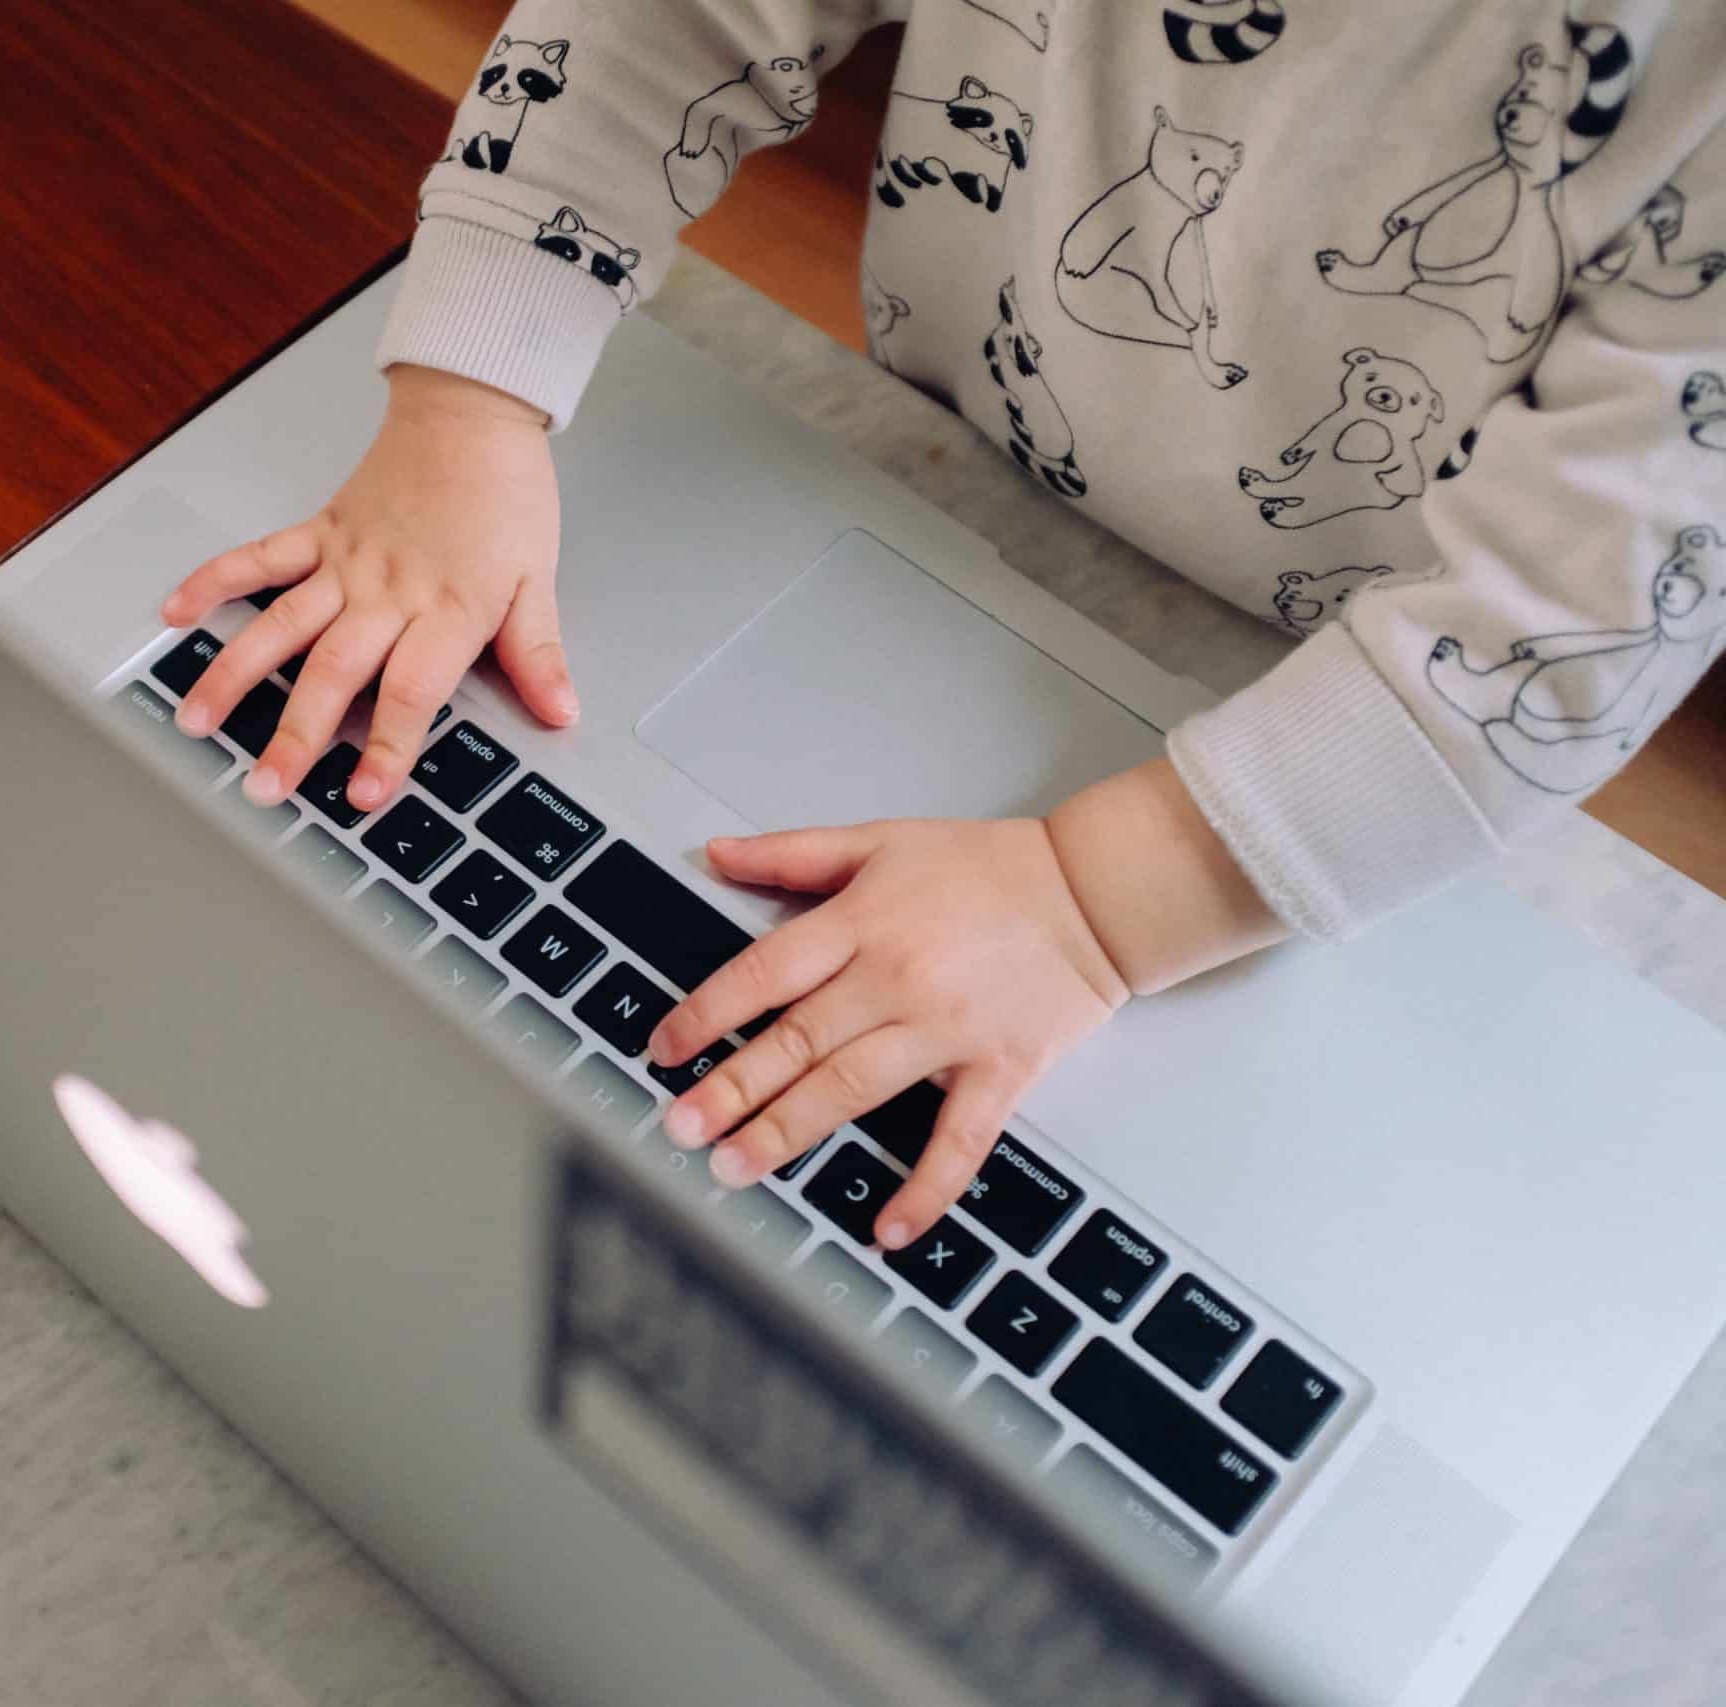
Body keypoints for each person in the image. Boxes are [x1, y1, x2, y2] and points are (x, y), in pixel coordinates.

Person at [160, 0, 1725, 1248]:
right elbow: (658, 30)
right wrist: (468, 399)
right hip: (951, 451)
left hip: (1342, 689)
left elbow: (1554, 645)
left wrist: (1091, 908)